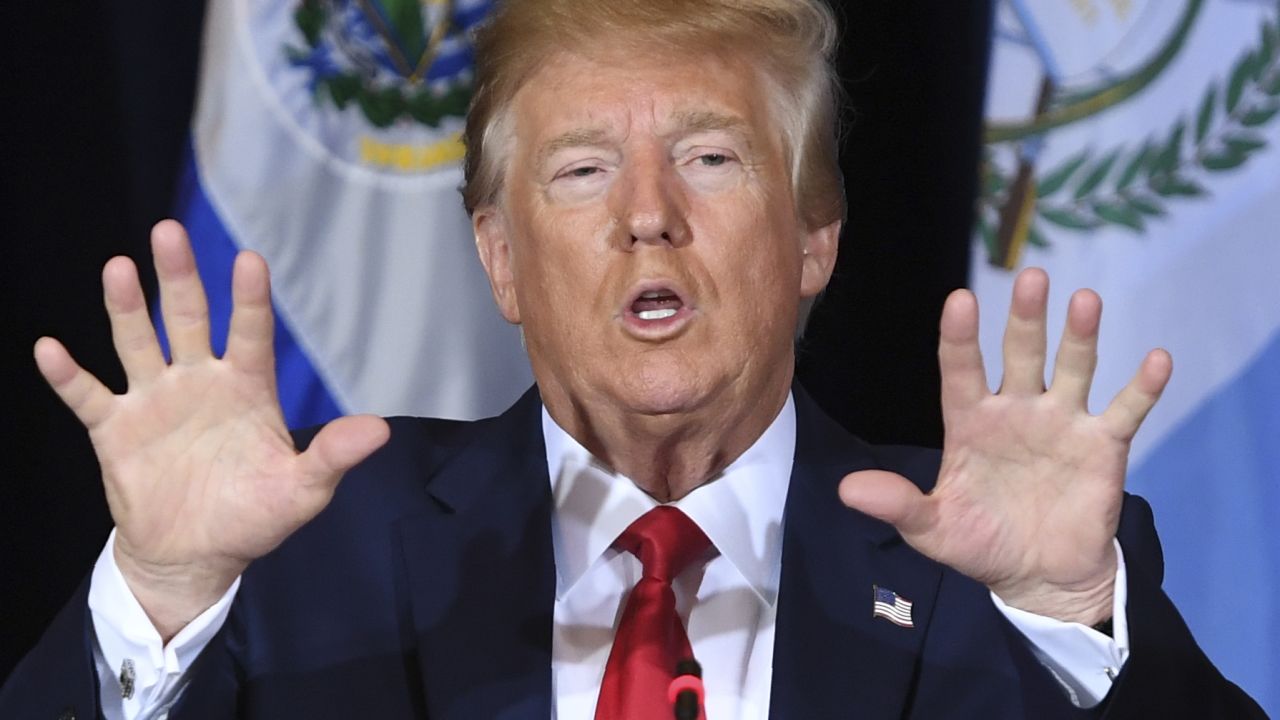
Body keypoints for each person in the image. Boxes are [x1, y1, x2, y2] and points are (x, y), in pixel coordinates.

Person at [1, 0, 1264, 718]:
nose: (645, 214)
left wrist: (1060, 623)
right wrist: (157, 594)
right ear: (499, 260)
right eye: (581, 171)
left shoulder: (999, 564)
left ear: (814, 238)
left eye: (711, 160)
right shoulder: (297, 556)